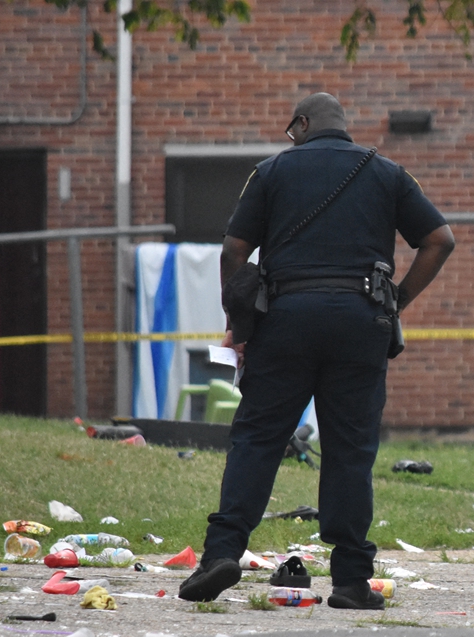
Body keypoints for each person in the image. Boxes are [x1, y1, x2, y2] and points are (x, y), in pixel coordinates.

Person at [179, 93, 455, 610]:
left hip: (284, 321)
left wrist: (239, 326)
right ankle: (351, 581)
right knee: (350, 449)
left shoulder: (271, 172)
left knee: (258, 438)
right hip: (361, 321)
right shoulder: (388, 172)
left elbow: (234, 250)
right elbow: (439, 239)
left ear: (303, 124)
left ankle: (222, 553)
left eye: (293, 129)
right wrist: (397, 300)